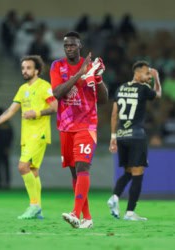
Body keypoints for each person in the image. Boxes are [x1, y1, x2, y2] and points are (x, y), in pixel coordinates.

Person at [0, 55, 57, 219]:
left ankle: (34, 205)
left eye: (28, 68)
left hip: (39, 133)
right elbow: (10, 111)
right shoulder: (23, 89)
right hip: (27, 135)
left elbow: (55, 107)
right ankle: (39, 210)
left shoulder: (44, 86)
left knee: (22, 167)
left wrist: (36, 112)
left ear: (36, 70)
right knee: (33, 171)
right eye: (23, 68)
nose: (25, 71)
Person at [50, 31, 108, 228]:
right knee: (75, 173)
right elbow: (57, 93)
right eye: (66, 46)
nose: (69, 48)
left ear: (80, 45)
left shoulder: (91, 66)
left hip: (86, 125)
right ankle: (88, 218)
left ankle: (75, 213)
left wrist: (97, 79)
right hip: (66, 127)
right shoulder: (57, 66)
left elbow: (104, 99)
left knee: (83, 167)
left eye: (73, 45)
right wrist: (79, 74)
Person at [108, 60, 162, 221]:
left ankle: (115, 197)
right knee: (138, 174)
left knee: (128, 172)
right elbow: (158, 94)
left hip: (122, 136)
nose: (149, 77)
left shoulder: (121, 88)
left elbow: (113, 115)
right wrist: (157, 79)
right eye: (146, 73)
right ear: (137, 73)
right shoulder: (144, 89)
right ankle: (130, 212)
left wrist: (113, 137)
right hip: (137, 136)